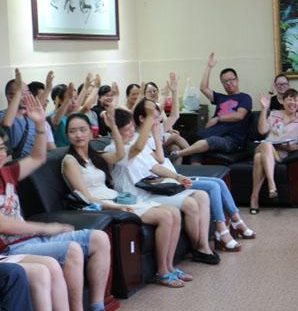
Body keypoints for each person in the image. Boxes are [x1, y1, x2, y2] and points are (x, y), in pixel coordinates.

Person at [0, 94, 111, 311]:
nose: (2, 154)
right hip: (11, 247)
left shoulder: (8, 172)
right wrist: (46, 228)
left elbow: (38, 158)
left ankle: (96, 306)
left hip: (29, 239)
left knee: (98, 238)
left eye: (3, 148)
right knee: (64, 255)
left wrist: (40, 124)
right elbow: (4, 224)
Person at [61, 111, 192, 288]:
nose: (78, 135)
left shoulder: (94, 156)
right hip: (102, 206)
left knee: (174, 212)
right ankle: (161, 272)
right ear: (67, 135)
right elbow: (86, 197)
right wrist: (115, 208)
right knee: (166, 217)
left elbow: (120, 155)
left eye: (82, 130)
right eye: (73, 131)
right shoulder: (70, 161)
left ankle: (169, 267)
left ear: (91, 132)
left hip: (117, 199)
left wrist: (113, 127)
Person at [106, 100, 220, 264]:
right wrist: (150, 118)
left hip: (153, 189)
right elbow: (137, 149)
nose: (131, 131)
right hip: (139, 197)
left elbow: (154, 166)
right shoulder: (113, 150)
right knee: (190, 204)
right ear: (116, 131)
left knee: (202, 195)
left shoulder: (135, 143)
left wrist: (177, 177)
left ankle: (203, 246)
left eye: (132, 127)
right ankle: (198, 248)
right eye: (127, 129)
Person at [132, 103, 255, 250]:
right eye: (155, 118)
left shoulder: (152, 134)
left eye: (159, 118)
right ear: (142, 119)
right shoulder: (139, 140)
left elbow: (174, 116)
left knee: (219, 182)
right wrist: (158, 138)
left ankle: (236, 221)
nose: (158, 122)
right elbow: (159, 160)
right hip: (166, 181)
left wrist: (174, 91)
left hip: (174, 176)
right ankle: (221, 230)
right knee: (213, 186)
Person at [170, 52, 252, 161]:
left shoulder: (245, 97)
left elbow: (239, 115)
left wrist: (218, 119)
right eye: (225, 81)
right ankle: (186, 166)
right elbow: (203, 88)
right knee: (179, 138)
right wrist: (209, 67)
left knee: (210, 141)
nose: (229, 83)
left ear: (237, 80)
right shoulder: (220, 97)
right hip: (210, 133)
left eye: (231, 80)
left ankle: (180, 153)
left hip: (231, 139)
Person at [250, 89, 298, 214]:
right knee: (266, 143)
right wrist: (264, 109)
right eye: (289, 99)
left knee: (258, 158)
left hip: (281, 154)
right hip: (265, 147)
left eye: (295, 100)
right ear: (283, 101)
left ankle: (254, 198)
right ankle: (272, 185)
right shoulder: (274, 114)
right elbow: (262, 130)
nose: (293, 103)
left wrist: (292, 148)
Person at [1, 69, 53, 156]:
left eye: (28, 92)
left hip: (32, 161)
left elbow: (37, 105)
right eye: (22, 93)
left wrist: (48, 89)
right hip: (15, 163)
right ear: (10, 97)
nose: (26, 96)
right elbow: (6, 124)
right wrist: (18, 92)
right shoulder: (3, 115)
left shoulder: (30, 117)